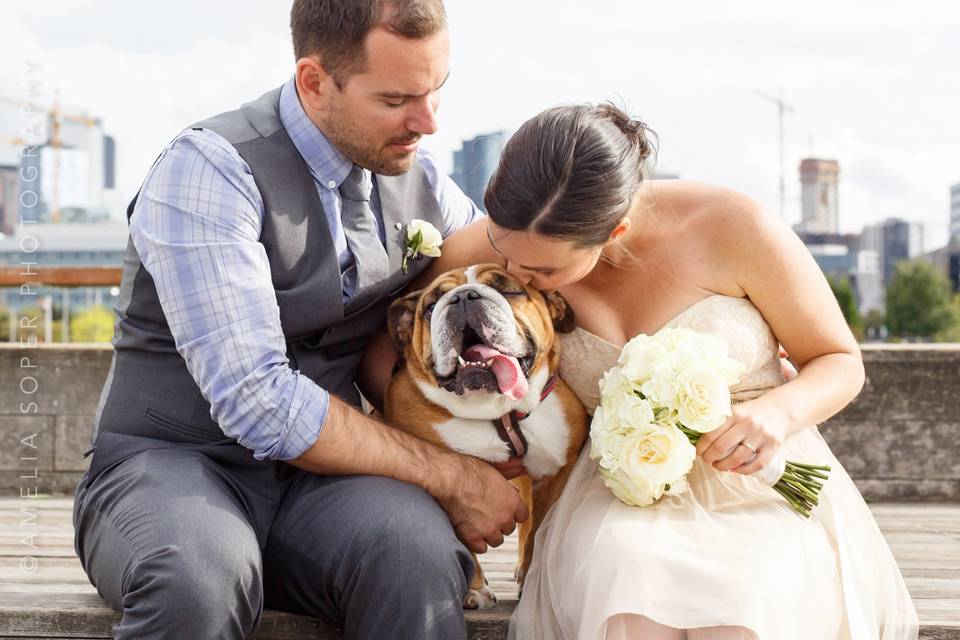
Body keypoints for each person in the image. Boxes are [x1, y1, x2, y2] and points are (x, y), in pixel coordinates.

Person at [71, 2, 527, 639]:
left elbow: (527, 270)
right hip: (171, 467)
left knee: (418, 557)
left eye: (435, 91)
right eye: (396, 98)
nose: (426, 121)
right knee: (195, 577)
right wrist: (453, 475)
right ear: (314, 82)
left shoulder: (422, 179)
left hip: (321, 490)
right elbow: (257, 399)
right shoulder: (208, 169)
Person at [401, 104, 919, 639]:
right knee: (628, 591)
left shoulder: (735, 226)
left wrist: (776, 414)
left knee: (744, 605)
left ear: (615, 229)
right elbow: (397, 355)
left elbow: (838, 359)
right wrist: (475, 455)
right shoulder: (489, 248)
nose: (516, 275)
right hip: (618, 488)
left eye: (544, 271)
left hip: (758, 481)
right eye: (506, 253)